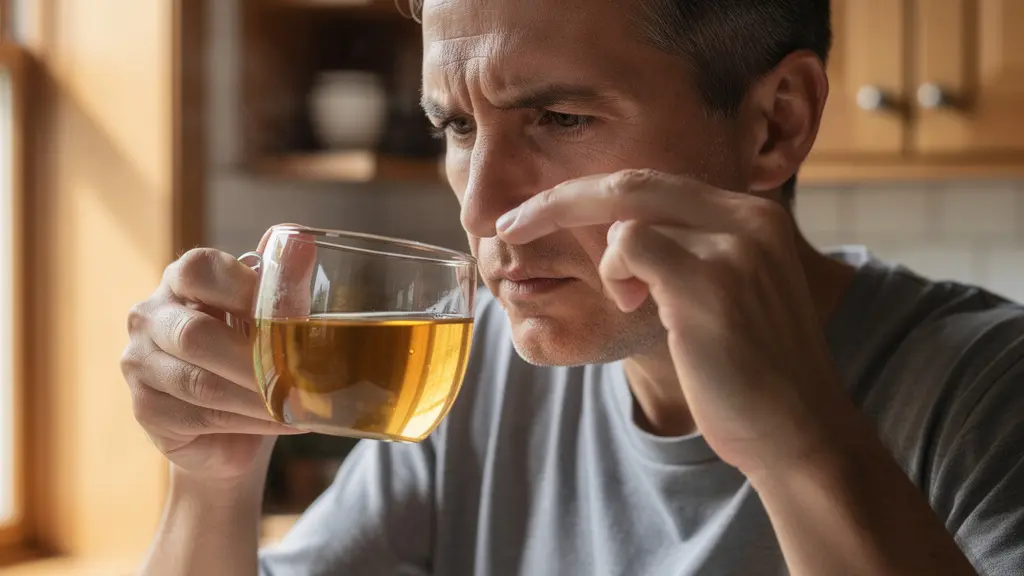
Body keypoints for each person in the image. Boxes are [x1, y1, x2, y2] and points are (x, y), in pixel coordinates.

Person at [121, 0, 1024, 574]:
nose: (482, 209)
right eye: (457, 127)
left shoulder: (990, 392)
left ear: (774, 125)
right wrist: (212, 482)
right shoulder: (473, 374)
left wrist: (799, 445)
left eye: (560, 117)